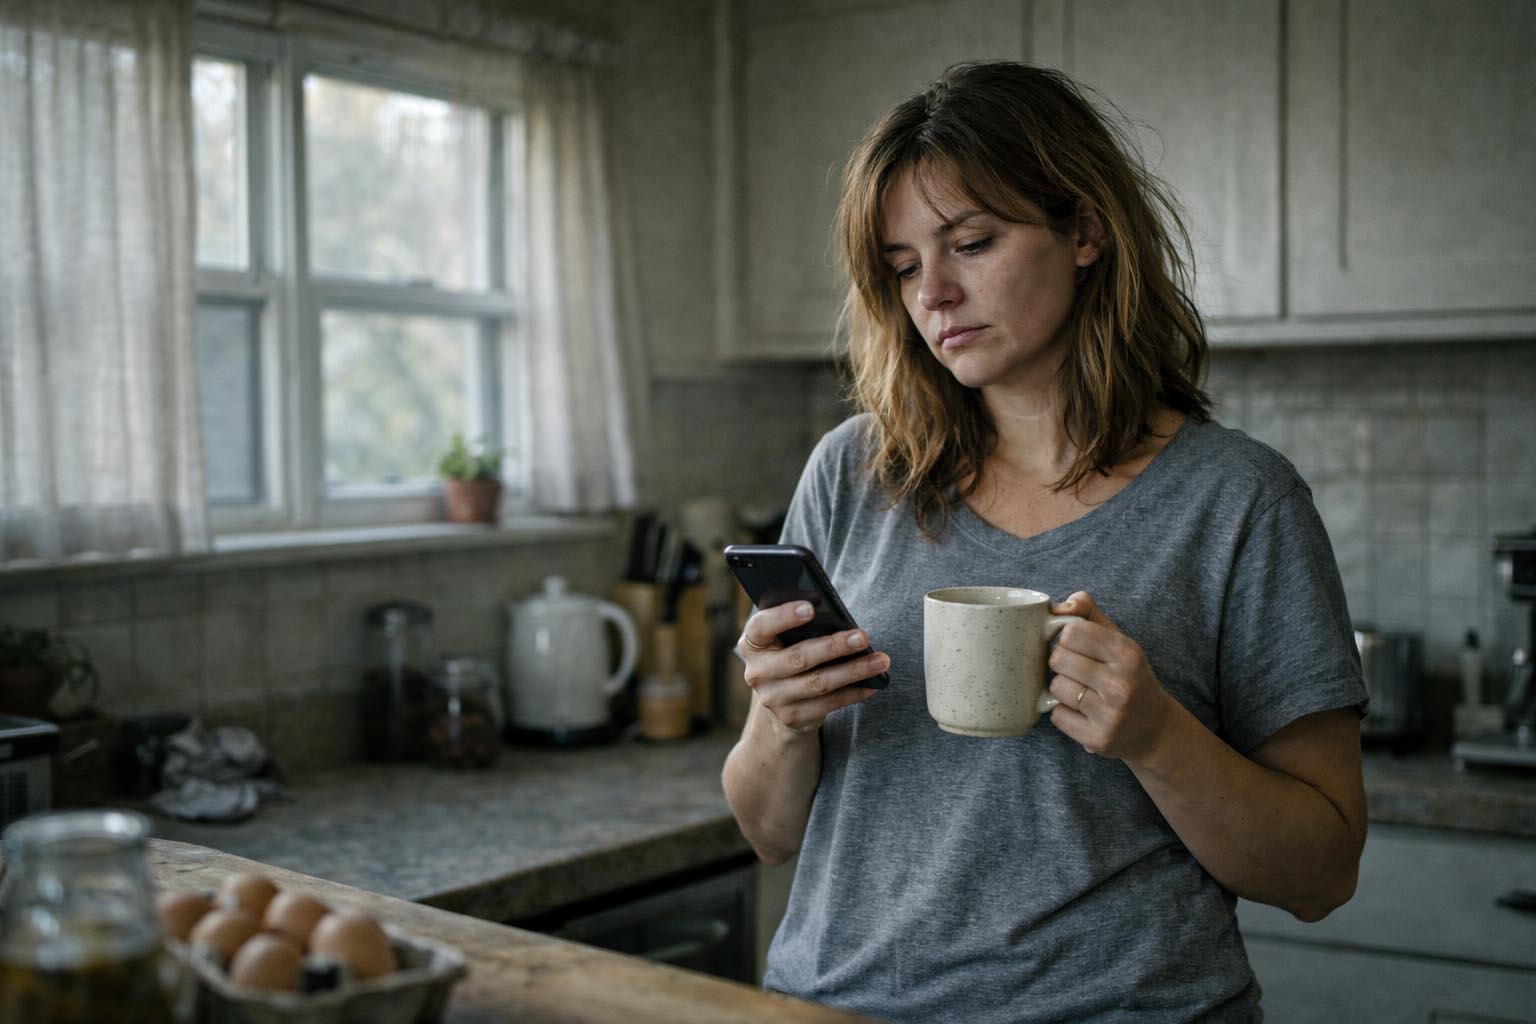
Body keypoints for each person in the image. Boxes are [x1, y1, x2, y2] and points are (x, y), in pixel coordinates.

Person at [721, 60, 1368, 1023]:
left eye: (971, 243)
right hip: (838, 1004)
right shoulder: (852, 472)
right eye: (902, 268)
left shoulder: (1238, 499)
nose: (933, 293)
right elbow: (769, 833)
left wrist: (1156, 737)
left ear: (1087, 232)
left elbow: (1321, 872)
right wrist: (780, 718)